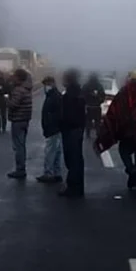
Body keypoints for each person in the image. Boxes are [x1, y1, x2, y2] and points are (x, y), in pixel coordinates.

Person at [58, 69, 86, 198]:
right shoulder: (78, 92)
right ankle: (77, 186)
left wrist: (62, 123)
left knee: (73, 158)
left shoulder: (71, 94)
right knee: (76, 159)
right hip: (76, 128)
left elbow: (68, 114)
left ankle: (73, 187)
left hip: (71, 129)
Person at [6, 68, 34, 179]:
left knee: (18, 146)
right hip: (25, 120)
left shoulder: (18, 90)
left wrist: (6, 101)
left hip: (18, 120)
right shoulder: (27, 89)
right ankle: (21, 168)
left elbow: (13, 104)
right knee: (21, 145)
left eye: (14, 76)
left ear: (18, 77)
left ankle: (20, 169)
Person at [36, 76, 63, 184]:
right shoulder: (53, 95)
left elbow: (54, 114)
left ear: (51, 84)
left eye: (46, 85)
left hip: (53, 128)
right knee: (56, 151)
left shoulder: (54, 97)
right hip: (55, 128)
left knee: (50, 152)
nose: (45, 87)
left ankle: (49, 173)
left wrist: (50, 126)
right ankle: (57, 173)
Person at [82, 73, 106, 140]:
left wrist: (86, 102)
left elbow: (82, 96)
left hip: (89, 107)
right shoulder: (99, 86)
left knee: (88, 121)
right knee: (97, 122)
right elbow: (103, 96)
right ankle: (98, 133)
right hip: (97, 107)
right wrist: (99, 100)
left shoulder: (86, 86)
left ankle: (88, 133)